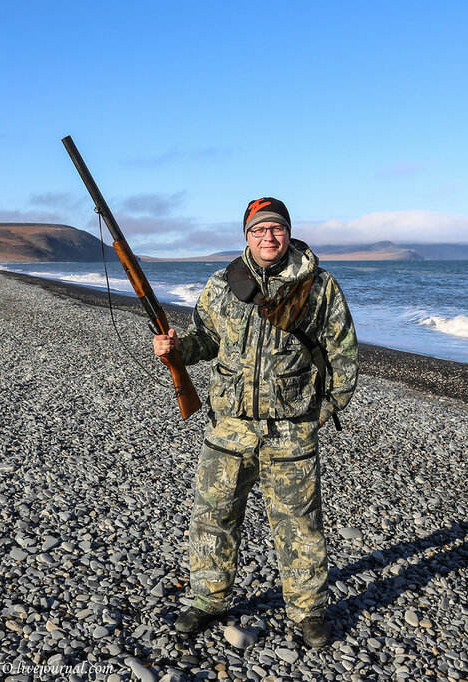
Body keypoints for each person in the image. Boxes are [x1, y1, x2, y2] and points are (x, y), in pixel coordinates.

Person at [152, 197, 359, 647]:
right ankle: (209, 601)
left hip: (292, 427)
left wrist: (325, 410)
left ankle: (307, 612)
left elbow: (343, 351)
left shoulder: (319, 286)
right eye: (259, 230)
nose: (269, 237)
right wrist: (175, 350)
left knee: (299, 523)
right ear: (246, 235)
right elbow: (205, 340)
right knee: (213, 516)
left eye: (277, 229)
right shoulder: (222, 284)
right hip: (229, 426)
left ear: (288, 233)